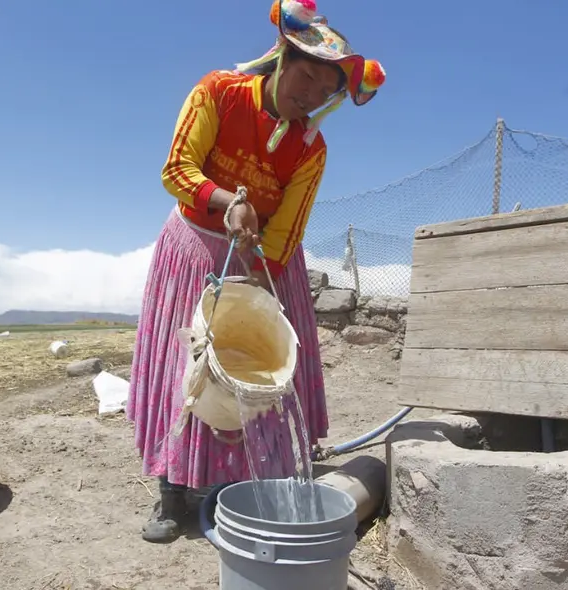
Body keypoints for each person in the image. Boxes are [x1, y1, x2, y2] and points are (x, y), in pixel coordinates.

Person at [127, 0, 386, 544]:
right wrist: (226, 201)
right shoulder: (219, 91)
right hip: (194, 247)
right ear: (282, 57)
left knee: (258, 367)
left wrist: (257, 283)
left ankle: (241, 487)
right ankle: (173, 491)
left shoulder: (309, 148)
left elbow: (287, 228)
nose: (311, 94)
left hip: (267, 257)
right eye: (307, 75)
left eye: (325, 91)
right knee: (194, 363)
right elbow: (177, 169)